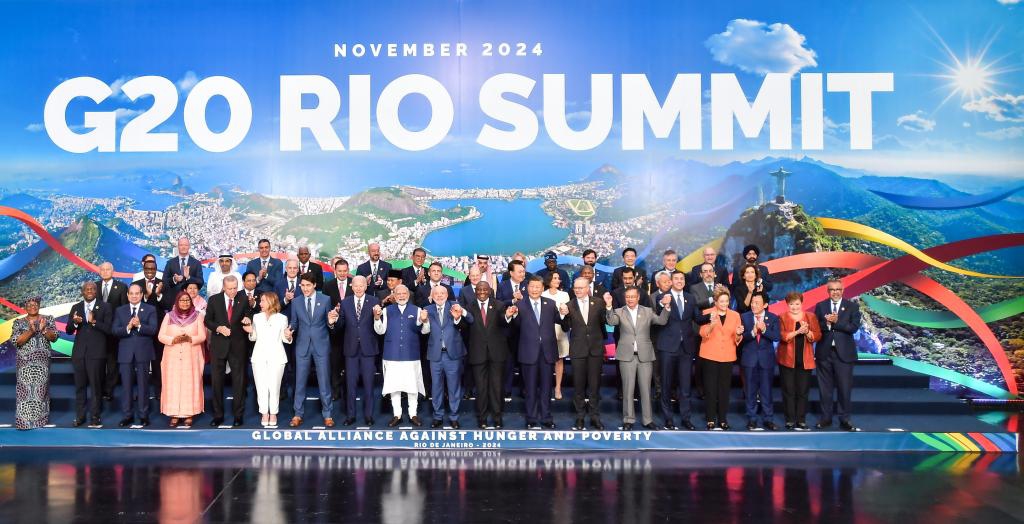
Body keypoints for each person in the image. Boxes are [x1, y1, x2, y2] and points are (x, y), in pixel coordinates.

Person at [607, 287, 671, 430]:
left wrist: (666, 307)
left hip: (645, 356)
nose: (630, 299)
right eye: (627, 297)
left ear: (638, 297)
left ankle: (648, 420)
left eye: (633, 297)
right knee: (628, 389)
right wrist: (609, 306)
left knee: (646, 390)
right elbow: (611, 322)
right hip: (626, 356)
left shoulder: (647, 311)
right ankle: (628, 419)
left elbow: (661, 321)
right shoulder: (619, 311)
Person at [508, 275, 565, 429]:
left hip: (547, 352)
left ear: (542, 288)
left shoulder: (550, 304)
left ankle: (547, 417)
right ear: (527, 288)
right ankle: (531, 418)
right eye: (532, 286)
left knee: (547, 388)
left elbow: (562, 322)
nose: (534, 289)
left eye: (538, 287)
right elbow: (514, 327)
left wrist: (564, 313)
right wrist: (511, 316)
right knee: (530, 388)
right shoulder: (520, 305)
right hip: (528, 352)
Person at [652, 270, 703, 431]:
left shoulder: (690, 298)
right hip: (667, 347)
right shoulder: (663, 297)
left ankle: (686, 418)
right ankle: (668, 419)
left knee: (685, 386)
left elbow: (698, 318)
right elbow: (659, 313)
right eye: (676, 279)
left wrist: (714, 314)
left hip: (686, 348)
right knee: (666, 384)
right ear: (671, 281)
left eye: (682, 278)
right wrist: (664, 303)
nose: (680, 281)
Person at [287, 273, 339, 427]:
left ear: (315, 285)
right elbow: (294, 323)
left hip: (321, 345)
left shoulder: (325, 300)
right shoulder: (296, 302)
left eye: (308, 285)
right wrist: (289, 330)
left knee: (324, 382)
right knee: (300, 382)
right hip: (302, 346)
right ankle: (298, 414)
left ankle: (328, 414)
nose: (305, 288)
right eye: (302, 285)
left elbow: (329, 323)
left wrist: (331, 322)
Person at [374, 284, 429, 427]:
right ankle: (397, 414)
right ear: (394, 294)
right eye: (398, 293)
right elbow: (380, 331)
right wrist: (376, 318)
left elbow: (425, 331)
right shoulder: (386, 311)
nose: (401, 296)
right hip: (391, 354)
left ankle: (413, 414)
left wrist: (425, 321)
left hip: (411, 354)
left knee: (412, 387)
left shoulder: (417, 310)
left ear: (408, 295)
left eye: (404, 293)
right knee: (394, 387)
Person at [560, 277, 608, 430]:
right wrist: (563, 315)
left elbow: (603, 324)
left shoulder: (599, 302)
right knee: (578, 386)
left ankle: (594, 416)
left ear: (588, 288)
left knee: (594, 386)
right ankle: (580, 416)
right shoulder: (569, 305)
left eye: (581, 288)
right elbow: (565, 328)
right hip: (578, 350)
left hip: (595, 349)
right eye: (576, 288)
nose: (578, 290)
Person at [814, 278, 862, 432]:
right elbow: (817, 327)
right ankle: (826, 418)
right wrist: (827, 324)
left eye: (838, 289)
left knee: (844, 388)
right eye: (832, 290)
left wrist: (836, 322)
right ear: (828, 291)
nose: (835, 292)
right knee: (825, 389)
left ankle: (845, 419)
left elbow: (853, 327)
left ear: (843, 291)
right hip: (824, 353)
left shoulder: (852, 306)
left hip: (844, 354)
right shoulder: (821, 306)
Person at [464, 281, 512, 429]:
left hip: (497, 353)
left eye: (485, 289)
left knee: (497, 387)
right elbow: (463, 327)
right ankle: (482, 419)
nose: (482, 292)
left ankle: (497, 418)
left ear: (490, 291)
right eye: (479, 289)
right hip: (477, 353)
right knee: (481, 388)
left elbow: (504, 322)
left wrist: (508, 316)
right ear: (475, 291)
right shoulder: (468, 307)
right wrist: (458, 318)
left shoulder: (499, 305)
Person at [205, 274, 251, 427]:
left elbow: (248, 314)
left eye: (235, 288)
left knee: (239, 382)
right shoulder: (214, 300)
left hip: (238, 346)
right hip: (219, 346)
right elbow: (207, 321)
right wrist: (218, 328)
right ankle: (218, 415)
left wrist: (247, 318)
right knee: (216, 381)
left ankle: (238, 415)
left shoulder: (243, 299)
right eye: (230, 288)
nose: (233, 291)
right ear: (223, 287)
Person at [423, 285, 473, 428]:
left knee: (454, 387)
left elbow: (470, 319)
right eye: (436, 294)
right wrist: (424, 321)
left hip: (453, 355)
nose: (439, 296)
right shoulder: (427, 309)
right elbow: (423, 330)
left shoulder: (455, 306)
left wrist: (460, 313)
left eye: (442, 293)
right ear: (432, 296)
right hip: (435, 355)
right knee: (436, 388)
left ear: (447, 295)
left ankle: (454, 417)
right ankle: (437, 416)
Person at [334, 276, 380, 426]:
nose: (359, 288)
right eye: (356, 286)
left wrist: (378, 317)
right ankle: (351, 415)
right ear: (351, 287)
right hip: (351, 349)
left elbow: (378, 325)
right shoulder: (345, 303)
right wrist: (332, 321)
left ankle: (368, 416)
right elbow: (340, 325)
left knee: (368, 385)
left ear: (366, 286)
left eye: (362, 286)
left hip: (368, 349)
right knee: (350, 385)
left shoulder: (374, 301)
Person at [112, 284, 160, 427]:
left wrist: (139, 325)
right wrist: (127, 327)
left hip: (143, 353)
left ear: (141, 295)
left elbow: (153, 330)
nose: (134, 296)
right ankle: (127, 415)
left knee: (143, 386)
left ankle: (143, 415)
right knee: (126, 386)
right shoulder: (120, 311)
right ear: (127, 295)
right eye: (131, 293)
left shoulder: (150, 309)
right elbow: (114, 330)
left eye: (137, 293)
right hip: (125, 353)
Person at [158, 292, 207, 427]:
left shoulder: (197, 317)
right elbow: (161, 336)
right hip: (172, 356)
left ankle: (188, 414)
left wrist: (190, 338)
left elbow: (202, 336)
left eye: (187, 300)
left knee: (189, 383)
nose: (185, 303)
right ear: (177, 302)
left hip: (191, 356)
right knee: (172, 384)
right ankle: (173, 414)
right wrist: (173, 339)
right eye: (182, 300)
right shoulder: (169, 316)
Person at [242, 292, 291, 427]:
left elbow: (285, 339)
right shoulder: (257, 317)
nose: (260, 303)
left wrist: (288, 335)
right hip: (259, 357)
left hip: (277, 357)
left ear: (270, 301)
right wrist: (250, 331)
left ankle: (273, 413)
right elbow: (254, 338)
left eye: (262, 301)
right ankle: (264, 413)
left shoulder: (282, 318)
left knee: (274, 387)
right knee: (261, 386)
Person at [67, 282, 112, 427]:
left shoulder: (105, 307)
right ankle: (80, 416)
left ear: (96, 291)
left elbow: (109, 329)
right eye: (87, 289)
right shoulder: (76, 307)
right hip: (79, 354)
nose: (90, 291)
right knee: (80, 387)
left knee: (95, 386)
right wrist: (74, 323)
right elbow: (68, 330)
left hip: (97, 353)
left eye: (92, 289)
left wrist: (94, 322)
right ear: (82, 292)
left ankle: (95, 417)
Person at [698, 289, 743, 430]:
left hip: (727, 356)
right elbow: (702, 333)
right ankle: (710, 419)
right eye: (721, 301)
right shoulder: (707, 313)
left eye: (726, 301)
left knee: (724, 389)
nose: (724, 304)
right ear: (716, 302)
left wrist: (738, 334)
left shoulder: (735, 315)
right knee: (710, 389)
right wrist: (711, 325)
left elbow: (737, 339)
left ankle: (722, 419)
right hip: (709, 355)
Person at [12, 297, 58, 429]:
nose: (33, 306)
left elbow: (54, 337)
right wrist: (31, 331)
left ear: (39, 306)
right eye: (30, 304)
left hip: (42, 362)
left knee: (40, 390)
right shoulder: (18, 322)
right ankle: (24, 422)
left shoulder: (47, 319)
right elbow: (17, 341)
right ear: (25, 307)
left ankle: (39, 421)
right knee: (24, 390)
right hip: (24, 362)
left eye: (35, 304)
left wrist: (44, 330)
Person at [777, 291, 821, 431]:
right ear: (787, 304)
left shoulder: (811, 316)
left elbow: (818, 335)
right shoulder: (782, 317)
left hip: (805, 359)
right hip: (787, 359)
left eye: (797, 304)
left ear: (802, 303)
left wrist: (807, 332)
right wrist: (798, 331)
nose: (794, 307)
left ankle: (801, 420)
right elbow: (783, 336)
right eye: (791, 304)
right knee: (788, 391)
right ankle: (790, 420)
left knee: (803, 391)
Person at [739, 293, 781, 431]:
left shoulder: (773, 318)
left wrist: (763, 329)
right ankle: (752, 419)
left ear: (765, 305)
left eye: (757, 302)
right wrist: (752, 332)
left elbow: (776, 337)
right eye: (752, 302)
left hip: (766, 360)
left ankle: (768, 419)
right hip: (749, 359)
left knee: (766, 391)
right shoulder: (744, 317)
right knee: (750, 391)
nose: (753, 305)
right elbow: (740, 338)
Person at [96, 261, 128, 401]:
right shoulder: (94, 287)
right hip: (97, 331)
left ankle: (109, 390)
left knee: (112, 362)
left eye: (107, 269)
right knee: (98, 362)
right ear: (99, 271)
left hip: (114, 332)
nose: (105, 271)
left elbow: (123, 310)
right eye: (102, 269)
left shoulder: (121, 287)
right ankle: (99, 388)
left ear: (113, 271)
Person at [324, 258, 352, 401]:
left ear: (348, 270)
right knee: (334, 363)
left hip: (350, 331)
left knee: (349, 364)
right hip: (334, 332)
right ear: (335, 271)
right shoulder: (328, 286)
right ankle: (335, 391)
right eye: (339, 271)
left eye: (344, 271)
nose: (342, 273)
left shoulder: (354, 285)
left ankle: (347, 391)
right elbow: (324, 306)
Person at [542, 272, 570, 400]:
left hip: (560, 332)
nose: (558, 280)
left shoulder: (564, 295)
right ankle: (545, 388)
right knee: (545, 362)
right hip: (545, 333)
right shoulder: (542, 294)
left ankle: (558, 387)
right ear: (549, 280)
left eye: (559, 278)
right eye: (555, 278)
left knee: (559, 361)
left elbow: (566, 315)